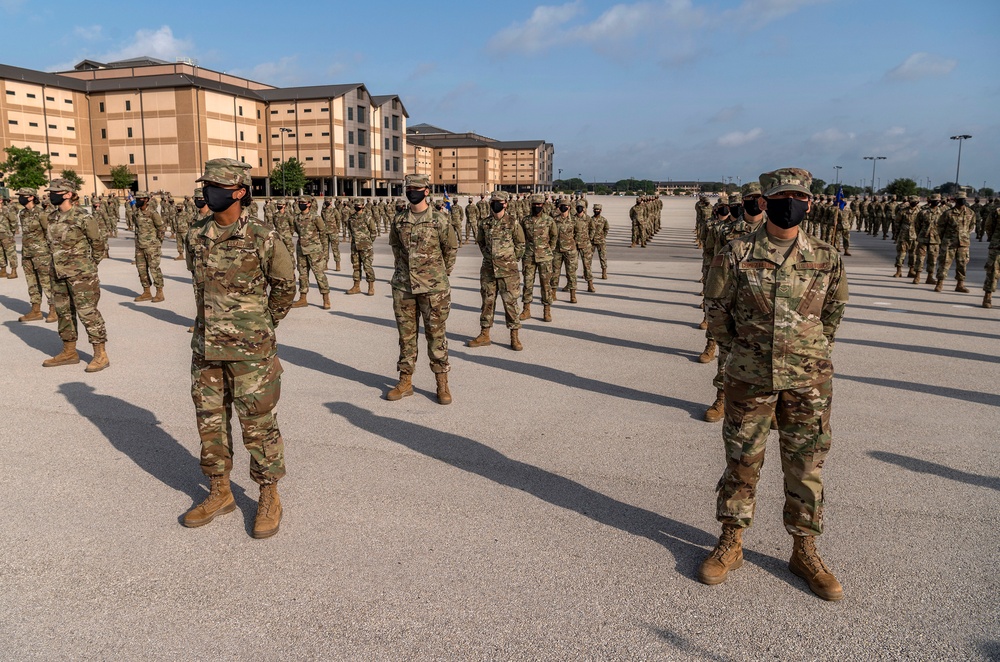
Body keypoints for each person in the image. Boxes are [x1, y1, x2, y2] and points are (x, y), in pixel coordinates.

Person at [701, 168, 849, 601]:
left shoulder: (825, 255)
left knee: (806, 467)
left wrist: (810, 351)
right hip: (750, 378)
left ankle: (804, 549)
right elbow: (717, 311)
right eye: (782, 195)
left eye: (799, 195)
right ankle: (731, 541)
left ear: (809, 202)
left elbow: (833, 314)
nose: (792, 202)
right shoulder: (735, 251)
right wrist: (740, 356)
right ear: (765, 201)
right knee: (742, 462)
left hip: (808, 381)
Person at [182, 158, 296, 539]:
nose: (207, 192)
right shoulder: (195, 235)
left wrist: (261, 326)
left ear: (240, 192)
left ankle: (269, 495)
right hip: (206, 349)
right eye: (206, 186)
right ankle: (220, 492)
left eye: (215, 187)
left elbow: (284, 287)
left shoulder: (262, 236)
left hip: (251, 352)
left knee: (259, 426)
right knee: (210, 423)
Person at [386, 174, 458, 404]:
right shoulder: (399, 220)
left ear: (427, 191)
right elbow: (396, 249)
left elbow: (450, 248)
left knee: (436, 336)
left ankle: (442, 383)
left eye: (417, 188)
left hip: (433, 288)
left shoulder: (439, 219)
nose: (412, 191)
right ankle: (405, 381)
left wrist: (439, 275)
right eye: (409, 188)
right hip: (404, 286)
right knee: (406, 337)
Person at [42, 179, 110, 372]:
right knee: (64, 313)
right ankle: (69, 352)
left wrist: (87, 267)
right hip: (57, 274)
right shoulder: (52, 217)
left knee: (88, 313)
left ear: (68, 194)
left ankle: (100, 354)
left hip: (81, 276)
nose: (50, 195)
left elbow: (98, 245)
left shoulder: (83, 217)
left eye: (55, 192)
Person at [468, 191, 525, 351]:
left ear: (505, 203)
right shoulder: (484, 224)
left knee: (511, 303)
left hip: (508, 272)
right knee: (487, 302)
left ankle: (514, 336)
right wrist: (488, 256)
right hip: (488, 270)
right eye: (493, 201)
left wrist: (512, 259)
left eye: (499, 201)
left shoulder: (513, 222)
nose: (496, 204)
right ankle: (484, 334)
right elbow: (480, 242)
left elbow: (520, 243)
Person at [16, 188, 56, 323]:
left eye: (22, 196)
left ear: (31, 197)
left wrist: (51, 252)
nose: (20, 198)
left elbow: (49, 233)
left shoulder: (41, 213)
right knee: (31, 282)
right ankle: (35, 310)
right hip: (27, 253)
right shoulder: (22, 213)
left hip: (41, 254)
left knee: (46, 282)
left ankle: (53, 310)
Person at [520, 193, 558, 322]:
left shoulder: (549, 220)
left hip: (545, 257)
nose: (537, 206)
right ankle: (526, 309)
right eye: (535, 204)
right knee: (527, 283)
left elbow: (554, 236)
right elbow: (521, 237)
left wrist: (549, 250)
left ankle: (546, 311)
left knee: (546, 285)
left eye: (539, 204)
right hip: (529, 256)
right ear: (531, 205)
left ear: (543, 205)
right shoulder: (525, 220)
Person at [289, 196, 331, 309]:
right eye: (299, 202)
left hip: (314, 250)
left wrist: (322, 249)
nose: (300, 204)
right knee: (302, 275)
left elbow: (323, 232)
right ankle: (303, 298)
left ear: (309, 204)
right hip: (301, 249)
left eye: (303, 202)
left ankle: (326, 298)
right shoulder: (296, 218)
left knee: (319, 274)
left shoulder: (315, 217)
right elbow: (298, 231)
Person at [934, 193, 975, 293]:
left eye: (964, 199)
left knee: (962, 264)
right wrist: (945, 239)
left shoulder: (970, 212)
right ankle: (940, 283)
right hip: (949, 242)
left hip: (963, 243)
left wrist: (964, 235)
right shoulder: (948, 213)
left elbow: (971, 226)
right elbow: (940, 227)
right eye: (960, 199)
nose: (963, 201)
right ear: (956, 200)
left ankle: (960, 285)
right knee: (944, 263)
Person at [131, 191, 167, 303]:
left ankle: (159, 292)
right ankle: (146, 292)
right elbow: (136, 226)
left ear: (146, 200)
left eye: (140, 199)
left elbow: (161, 228)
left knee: (154, 269)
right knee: (141, 270)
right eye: (137, 199)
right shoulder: (136, 213)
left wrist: (157, 243)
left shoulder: (153, 213)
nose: (138, 201)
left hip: (152, 246)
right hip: (139, 246)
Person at [345, 198, 378, 295]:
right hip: (355, 246)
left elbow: (373, 232)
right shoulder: (351, 218)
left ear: (363, 205)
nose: (357, 207)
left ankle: (371, 287)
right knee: (356, 267)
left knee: (367, 267)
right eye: (355, 205)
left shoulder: (367, 217)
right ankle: (356, 286)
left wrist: (368, 242)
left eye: (359, 205)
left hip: (366, 247)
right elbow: (350, 231)